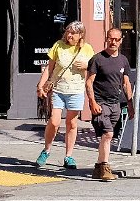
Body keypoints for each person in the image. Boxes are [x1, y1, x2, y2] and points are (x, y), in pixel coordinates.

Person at [35, 21, 95, 170]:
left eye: (73, 33)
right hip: (58, 89)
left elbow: (94, 69)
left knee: (72, 123)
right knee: (54, 121)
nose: (69, 35)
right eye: (68, 32)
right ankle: (46, 150)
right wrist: (40, 85)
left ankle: (68, 156)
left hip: (76, 91)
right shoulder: (58, 46)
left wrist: (87, 66)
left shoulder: (87, 49)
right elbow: (49, 68)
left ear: (80, 35)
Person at [86, 27, 133, 182]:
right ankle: (105, 167)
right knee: (108, 134)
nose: (113, 42)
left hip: (115, 104)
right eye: (110, 39)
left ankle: (98, 168)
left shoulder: (123, 60)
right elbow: (89, 82)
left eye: (116, 39)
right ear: (106, 39)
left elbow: (126, 83)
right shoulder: (97, 59)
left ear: (121, 41)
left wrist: (130, 104)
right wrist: (92, 102)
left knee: (106, 137)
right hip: (101, 103)